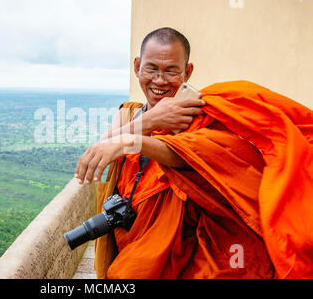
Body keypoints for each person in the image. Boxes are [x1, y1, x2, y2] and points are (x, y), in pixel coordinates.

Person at [74, 27, 313, 279]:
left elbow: (186, 154)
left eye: (171, 71)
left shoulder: (201, 113)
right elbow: (100, 150)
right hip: (129, 238)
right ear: (137, 67)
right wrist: (149, 121)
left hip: (184, 252)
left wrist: (129, 140)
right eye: (151, 68)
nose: (159, 80)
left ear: (187, 72)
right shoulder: (128, 114)